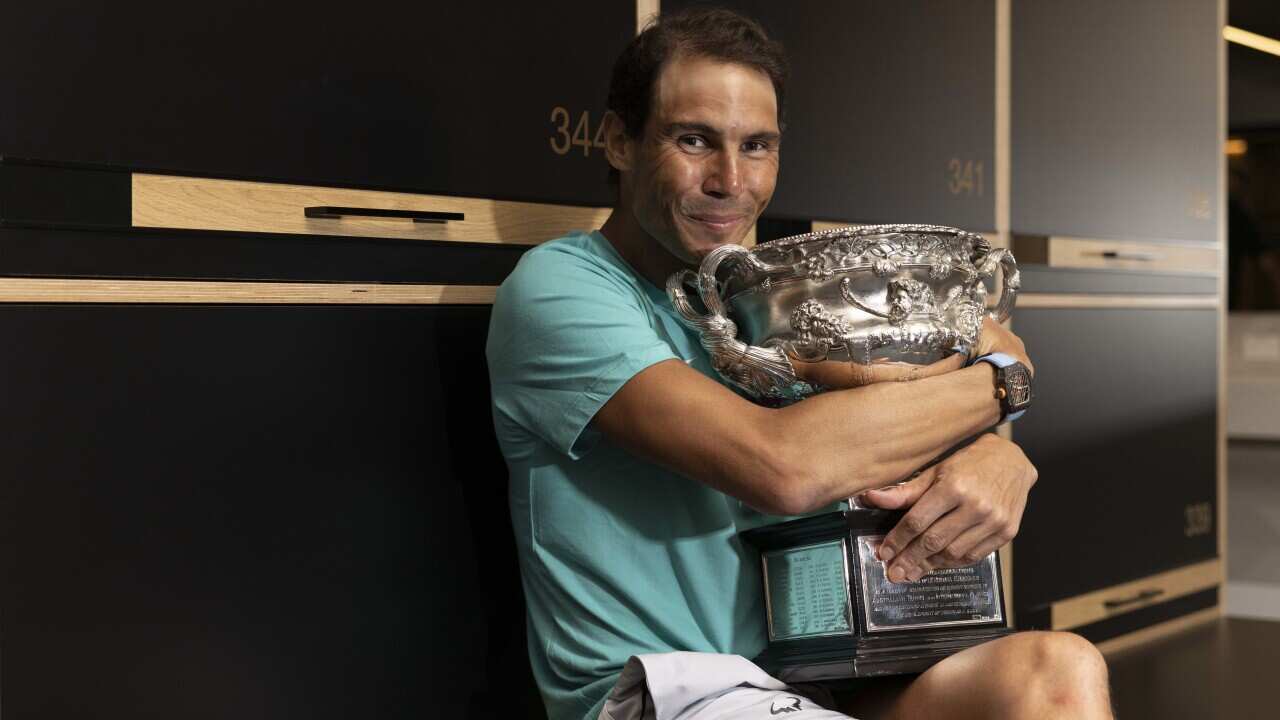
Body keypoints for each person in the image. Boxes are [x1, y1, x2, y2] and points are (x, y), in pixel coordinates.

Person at [487, 7, 1112, 720]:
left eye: (757, 146)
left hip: (817, 672)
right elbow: (786, 468)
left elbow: (995, 339)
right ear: (619, 142)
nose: (730, 180)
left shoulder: (772, 290)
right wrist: (1002, 388)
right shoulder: (562, 289)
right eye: (693, 140)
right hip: (674, 693)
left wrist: (996, 459)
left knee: (1061, 671)